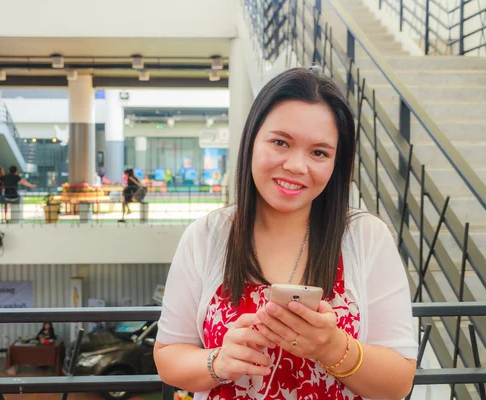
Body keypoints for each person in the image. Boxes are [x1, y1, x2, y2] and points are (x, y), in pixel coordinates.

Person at [153, 68, 417, 400]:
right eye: (280, 142)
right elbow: (168, 356)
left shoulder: (367, 238)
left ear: (337, 163)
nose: (296, 166)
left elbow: (398, 383)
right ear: (252, 140)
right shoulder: (206, 236)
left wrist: (334, 348)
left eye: (319, 152)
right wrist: (218, 361)